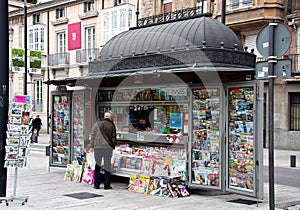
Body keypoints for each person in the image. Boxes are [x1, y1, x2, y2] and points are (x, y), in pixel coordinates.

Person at [89, 111, 116, 190]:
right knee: (107, 166)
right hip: (108, 148)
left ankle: (96, 184)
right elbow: (113, 138)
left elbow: (93, 135)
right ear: (110, 117)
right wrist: (113, 146)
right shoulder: (111, 125)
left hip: (98, 148)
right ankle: (106, 185)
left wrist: (91, 146)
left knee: (98, 165)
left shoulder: (97, 124)